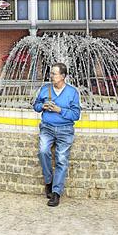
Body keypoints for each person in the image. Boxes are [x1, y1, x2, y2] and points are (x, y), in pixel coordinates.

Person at [32, 62, 81, 207]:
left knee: (61, 159)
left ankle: (56, 193)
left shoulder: (72, 92)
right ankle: (49, 181)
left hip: (65, 130)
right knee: (43, 151)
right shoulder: (45, 89)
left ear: (63, 76)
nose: (51, 76)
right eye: (51, 73)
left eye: (54, 73)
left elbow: (76, 115)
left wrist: (60, 110)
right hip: (47, 127)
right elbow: (35, 105)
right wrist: (43, 106)